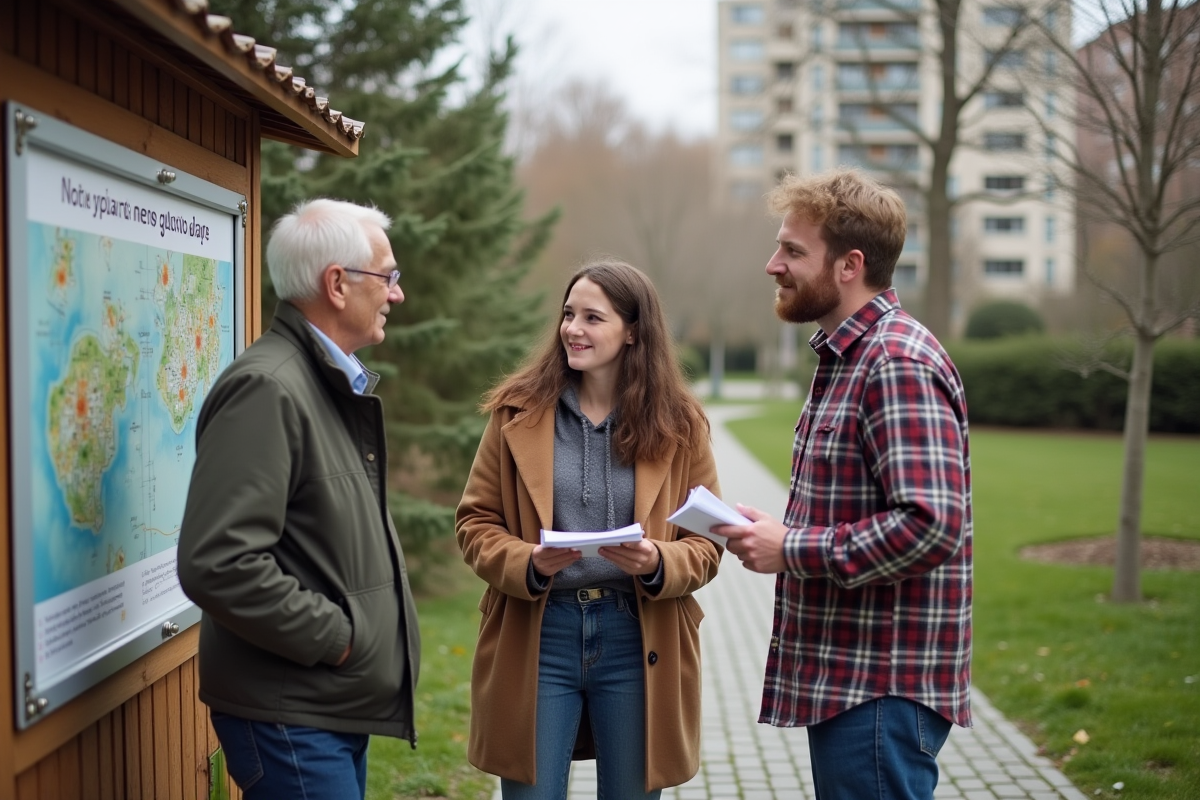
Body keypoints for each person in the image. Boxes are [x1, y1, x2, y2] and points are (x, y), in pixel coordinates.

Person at [713, 169, 973, 800]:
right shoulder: (848, 357)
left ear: (850, 264)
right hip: (853, 681)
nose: (773, 265)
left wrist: (791, 549)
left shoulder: (895, 363)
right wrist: (773, 532)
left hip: (880, 689)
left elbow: (930, 523)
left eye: (793, 251)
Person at [178, 198, 420, 800]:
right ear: (337, 284)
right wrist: (338, 639)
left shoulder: (323, 383)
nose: (397, 294)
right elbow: (218, 563)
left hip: (322, 706)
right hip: (290, 713)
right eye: (387, 277)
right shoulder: (268, 389)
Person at [456, 260, 722, 799]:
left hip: (637, 635)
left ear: (633, 333)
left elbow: (709, 541)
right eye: (568, 314)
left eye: (592, 318)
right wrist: (525, 563)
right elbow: (475, 522)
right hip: (539, 631)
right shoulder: (516, 412)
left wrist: (658, 563)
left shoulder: (680, 422)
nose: (573, 329)